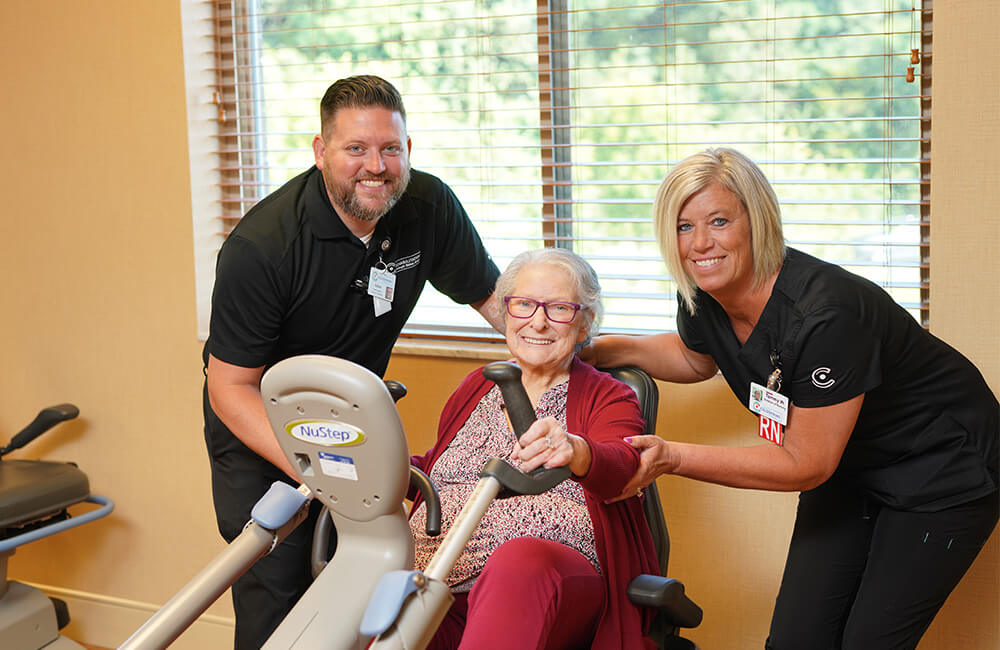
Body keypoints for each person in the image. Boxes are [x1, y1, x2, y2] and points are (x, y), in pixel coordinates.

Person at [583, 148, 999, 649]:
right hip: (849, 465)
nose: (700, 244)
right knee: (796, 640)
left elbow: (807, 463)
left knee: (869, 642)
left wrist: (672, 456)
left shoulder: (827, 314)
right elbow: (699, 358)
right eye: (683, 226)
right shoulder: (705, 290)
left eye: (719, 221)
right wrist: (596, 350)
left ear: (757, 220)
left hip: (942, 468)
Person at [201, 75, 504, 649]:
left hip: (352, 424)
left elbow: (499, 302)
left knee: (367, 585)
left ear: (408, 150)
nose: (377, 165)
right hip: (261, 430)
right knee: (281, 591)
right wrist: (317, 467)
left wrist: (577, 343)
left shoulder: (427, 208)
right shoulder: (262, 248)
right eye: (355, 148)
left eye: (391, 148)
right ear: (321, 152)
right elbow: (231, 389)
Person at [408, 248, 660, 649]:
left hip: (547, 585)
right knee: (372, 586)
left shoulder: (608, 396)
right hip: (438, 580)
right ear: (507, 313)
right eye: (524, 304)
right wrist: (377, 458)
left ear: (583, 325)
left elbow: (625, 466)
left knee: (518, 561)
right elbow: (436, 466)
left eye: (559, 308)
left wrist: (576, 450)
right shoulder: (477, 385)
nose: (538, 322)